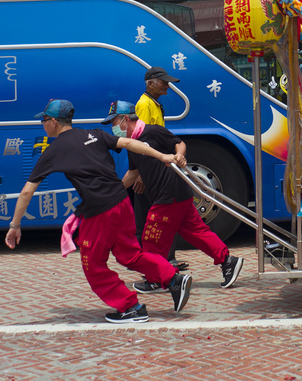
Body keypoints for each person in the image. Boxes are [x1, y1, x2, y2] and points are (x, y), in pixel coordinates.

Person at [4, 99, 193, 324]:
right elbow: (131, 144)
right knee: (130, 255)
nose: (43, 124)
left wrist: (15, 225)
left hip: (100, 210)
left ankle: (130, 307)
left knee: (93, 265)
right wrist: (162, 156)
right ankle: (173, 279)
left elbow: (27, 192)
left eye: (44, 120)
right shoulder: (93, 134)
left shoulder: (53, 150)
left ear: (53, 122)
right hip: (122, 202)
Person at [103, 101, 245, 293]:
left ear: (125, 120)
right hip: (177, 194)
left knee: (151, 238)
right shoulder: (132, 144)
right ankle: (228, 261)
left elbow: (179, 143)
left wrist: (179, 155)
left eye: (114, 122)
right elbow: (133, 173)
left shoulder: (152, 132)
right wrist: (114, 191)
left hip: (168, 195)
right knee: (195, 232)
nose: (113, 128)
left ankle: (155, 279)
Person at [132, 66, 186, 270]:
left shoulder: (153, 103)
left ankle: (164, 259)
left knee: (162, 214)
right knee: (152, 216)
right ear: (150, 83)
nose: (167, 85)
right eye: (163, 82)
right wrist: (141, 174)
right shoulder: (144, 104)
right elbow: (141, 141)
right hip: (150, 169)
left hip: (154, 167)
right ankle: (151, 261)